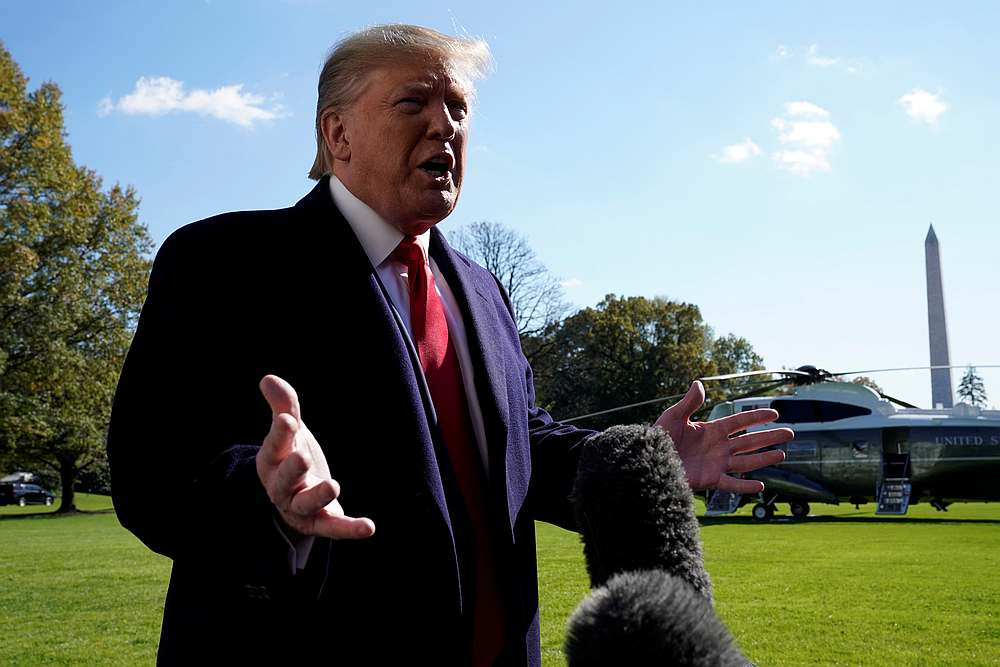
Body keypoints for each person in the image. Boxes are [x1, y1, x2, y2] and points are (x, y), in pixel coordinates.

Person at [107, 24, 790, 666]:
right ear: (336, 134)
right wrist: (266, 496)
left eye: (458, 108)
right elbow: (151, 469)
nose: (445, 125)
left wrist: (636, 462)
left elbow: (522, 446)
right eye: (414, 102)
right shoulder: (223, 261)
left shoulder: (484, 290)